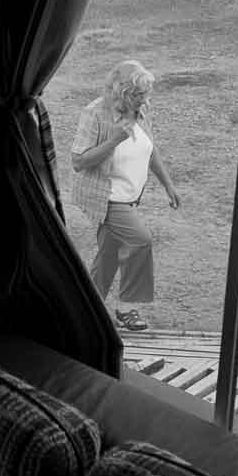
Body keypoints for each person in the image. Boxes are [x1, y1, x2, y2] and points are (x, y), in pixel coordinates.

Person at [71, 59, 181, 332]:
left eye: (145, 94)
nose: (143, 100)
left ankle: (86, 311)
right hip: (106, 197)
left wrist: (168, 184)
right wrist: (114, 140)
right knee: (141, 240)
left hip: (131, 198)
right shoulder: (96, 113)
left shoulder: (142, 110)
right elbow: (78, 161)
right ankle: (127, 308)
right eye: (137, 94)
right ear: (120, 91)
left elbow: (150, 149)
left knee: (108, 256)